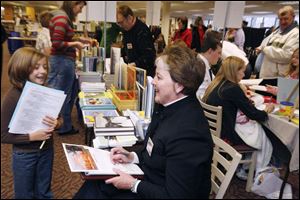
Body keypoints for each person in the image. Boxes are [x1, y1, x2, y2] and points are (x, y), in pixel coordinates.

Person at [74, 45, 213, 199]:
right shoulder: (167, 106)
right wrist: (132, 156)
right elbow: (154, 148)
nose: (153, 82)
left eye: (159, 77)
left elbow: (177, 195)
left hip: (159, 191)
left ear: (179, 85)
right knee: (97, 183)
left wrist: (133, 184)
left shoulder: (189, 133)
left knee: (100, 189)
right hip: (151, 180)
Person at [1, 47, 63, 199]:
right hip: (24, 154)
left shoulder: (46, 90)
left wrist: (56, 124)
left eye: (45, 67)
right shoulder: (13, 96)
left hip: (46, 151)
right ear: (21, 69)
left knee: (44, 192)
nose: (42, 71)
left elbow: (60, 119)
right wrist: (30, 137)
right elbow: (3, 135)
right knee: (24, 194)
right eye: (36, 68)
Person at [202, 56, 274, 146]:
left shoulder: (216, 84)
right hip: (227, 135)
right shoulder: (232, 88)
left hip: (213, 132)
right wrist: (266, 111)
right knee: (266, 136)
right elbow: (253, 114)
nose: (244, 75)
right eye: (243, 72)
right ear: (234, 72)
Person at [48, 1, 93, 135]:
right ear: (73, 4)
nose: (80, 11)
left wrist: (80, 39)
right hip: (62, 61)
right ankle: (63, 126)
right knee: (62, 95)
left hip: (61, 61)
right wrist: (76, 44)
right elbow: (56, 43)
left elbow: (63, 38)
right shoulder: (62, 18)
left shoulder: (60, 17)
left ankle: (64, 124)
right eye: (80, 7)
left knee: (62, 94)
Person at [256, 6, 299, 78]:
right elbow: (263, 45)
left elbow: (287, 55)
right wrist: (261, 48)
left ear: (293, 17)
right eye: (280, 19)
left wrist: (265, 49)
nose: (282, 22)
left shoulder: (296, 34)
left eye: (286, 19)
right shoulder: (277, 32)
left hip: (279, 77)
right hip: (266, 74)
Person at [116, 5, 156, 77]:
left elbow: (149, 56)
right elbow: (126, 48)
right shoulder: (125, 29)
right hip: (132, 71)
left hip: (144, 73)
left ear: (129, 18)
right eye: (118, 23)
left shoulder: (142, 31)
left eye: (121, 22)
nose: (120, 25)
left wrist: (135, 63)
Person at [196, 30, 222, 99]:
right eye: (218, 53)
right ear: (210, 51)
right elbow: (200, 96)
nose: (220, 56)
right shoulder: (200, 67)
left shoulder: (205, 64)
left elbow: (215, 81)